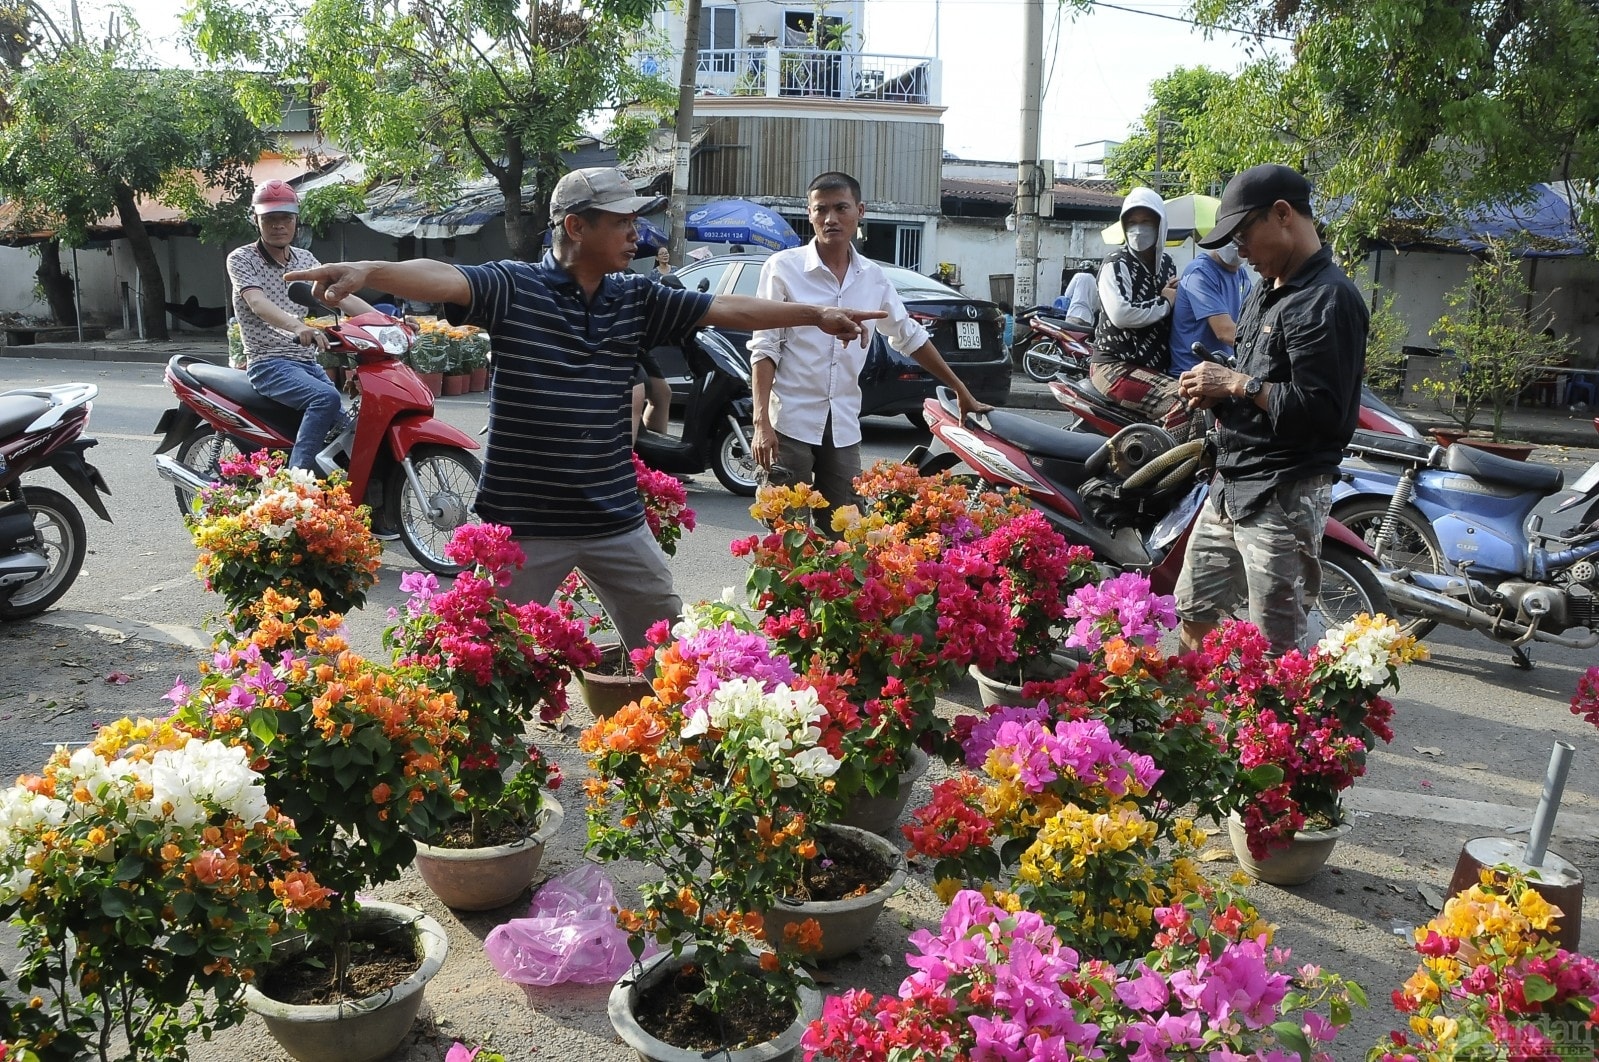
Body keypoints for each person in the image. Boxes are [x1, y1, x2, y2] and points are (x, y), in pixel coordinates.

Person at [284, 166, 885, 654]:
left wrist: (813, 314)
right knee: (480, 654)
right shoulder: (515, 287)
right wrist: (371, 269)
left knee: (668, 650)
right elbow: (445, 276)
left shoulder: (636, 295)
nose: (636, 234)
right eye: (622, 222)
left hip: (614, 521)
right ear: (576, 225)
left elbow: (723, 308)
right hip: (521, 523)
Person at [1174, 163, 1368, 656]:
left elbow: (1322, 413)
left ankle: (1274, 733)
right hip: (1230, 481)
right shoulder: (1265, 287)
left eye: (1243, 234)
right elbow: (1254, 376)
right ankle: (1195, 724)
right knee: (1194, 611)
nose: (1238, 250)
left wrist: (1239, 384)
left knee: (1275, 646)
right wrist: (1216, 389)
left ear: (1282, 215)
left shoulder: (1329, 300)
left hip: (1285, 492)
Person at [748, 171, 991, 515]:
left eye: (841, 208)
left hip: (844, 423)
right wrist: (761, 422)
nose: (831, 219)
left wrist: (959, 388)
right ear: (809, 213)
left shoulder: (873, 278)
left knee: (850, 534)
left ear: (860, 211)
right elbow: (765, 347)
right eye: (821, 210)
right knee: (787, 533)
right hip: (788, 422)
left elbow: (908, 336)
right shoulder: (782, 269)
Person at [227, 179, 376, 471]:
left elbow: (339, 297)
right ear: (256, 220)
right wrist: (297, 326)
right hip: (268, 363)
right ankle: (297, 482)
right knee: (326, 398)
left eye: (286, 218)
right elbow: (258, 303)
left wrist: (386, 322)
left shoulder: (305, 259)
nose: (279, 225)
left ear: (296, 220)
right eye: (270, 218)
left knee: (346, 430)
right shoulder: (242, 259)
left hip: (307, 363)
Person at [1090, 188, 1197, 441]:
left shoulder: (1166, 265)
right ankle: (1163, 475)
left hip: (1152, 369)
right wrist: (1165, 303)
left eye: (1146, 222)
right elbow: (1121, 314)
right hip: (1114, 366)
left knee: (1204, 398)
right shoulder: (1115, 264)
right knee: (1182, 404)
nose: (1139, 229)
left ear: (1160, 225)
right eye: (1132, 222)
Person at [1168, 243, 1253, 375]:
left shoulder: (1241, 275)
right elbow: (1225, 332)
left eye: (1242, 238)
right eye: (1231, 238)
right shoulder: (1200, 272)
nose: (1236, 243)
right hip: (1192, 375)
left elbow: (1253, 322)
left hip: (1223, 373)